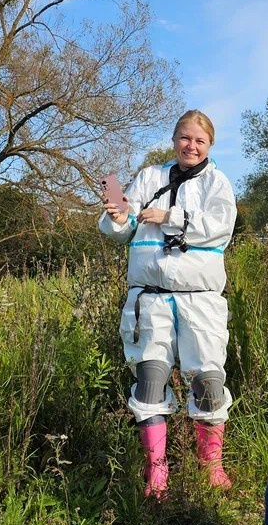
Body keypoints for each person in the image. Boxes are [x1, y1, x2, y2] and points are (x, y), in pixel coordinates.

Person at [100, 111, 238, 498]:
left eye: (199, 141)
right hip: (150, 298)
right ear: (174, 139)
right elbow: (123, 229)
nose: (190, 146)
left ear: (210, 145)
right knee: (150, 380)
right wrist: (118, 216)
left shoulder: (217, 182)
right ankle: (156, 471)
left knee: (208, 381)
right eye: (184, 138)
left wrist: (170, 216)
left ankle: (211, 466)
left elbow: (220, 228)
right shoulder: (149, 177)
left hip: (201, 301)